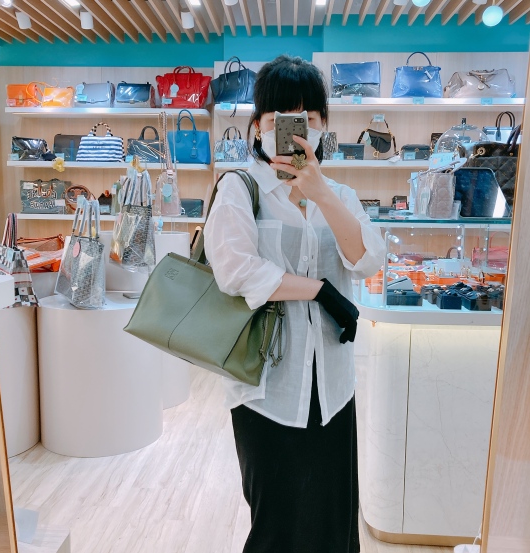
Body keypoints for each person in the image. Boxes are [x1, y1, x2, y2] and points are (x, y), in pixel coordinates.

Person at [203, 55, 386, 553]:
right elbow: (235, 270)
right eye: (278, 118)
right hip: (267, 386)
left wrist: (321, 193)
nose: (293, 129)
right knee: (275, 526)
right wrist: (320, 290)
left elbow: (368, 259)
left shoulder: (339, 194)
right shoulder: (240, 188)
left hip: (333, 386)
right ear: (259, 126)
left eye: (306, 118)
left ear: (323, 125)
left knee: (334, 525)